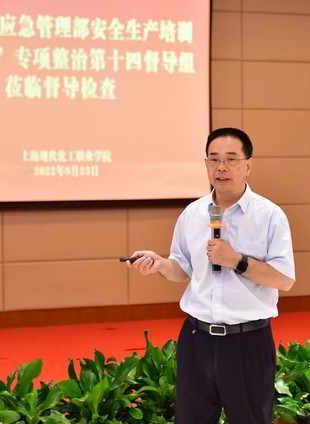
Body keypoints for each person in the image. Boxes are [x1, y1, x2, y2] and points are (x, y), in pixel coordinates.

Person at [126, 127, 295, 424]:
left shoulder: (269, 216)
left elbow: (284, 279)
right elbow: (182, 268)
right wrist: (160, 264)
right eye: (214, 159)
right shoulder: (192, 214)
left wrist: (236, 260)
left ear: (248, 165)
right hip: (197, 340)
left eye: (231, 159)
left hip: (247, 342)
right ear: (206, 164)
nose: (221, 167)